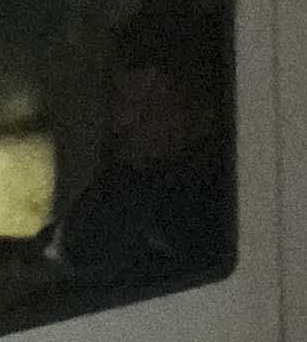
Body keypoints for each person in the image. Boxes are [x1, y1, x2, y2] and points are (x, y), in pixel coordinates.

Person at [44, 17, 235, 289]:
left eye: (144, 104)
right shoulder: (123, 183)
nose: (122, 122)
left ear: (188, 100)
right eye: (119, 99)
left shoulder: (214, 192)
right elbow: (64, 241)